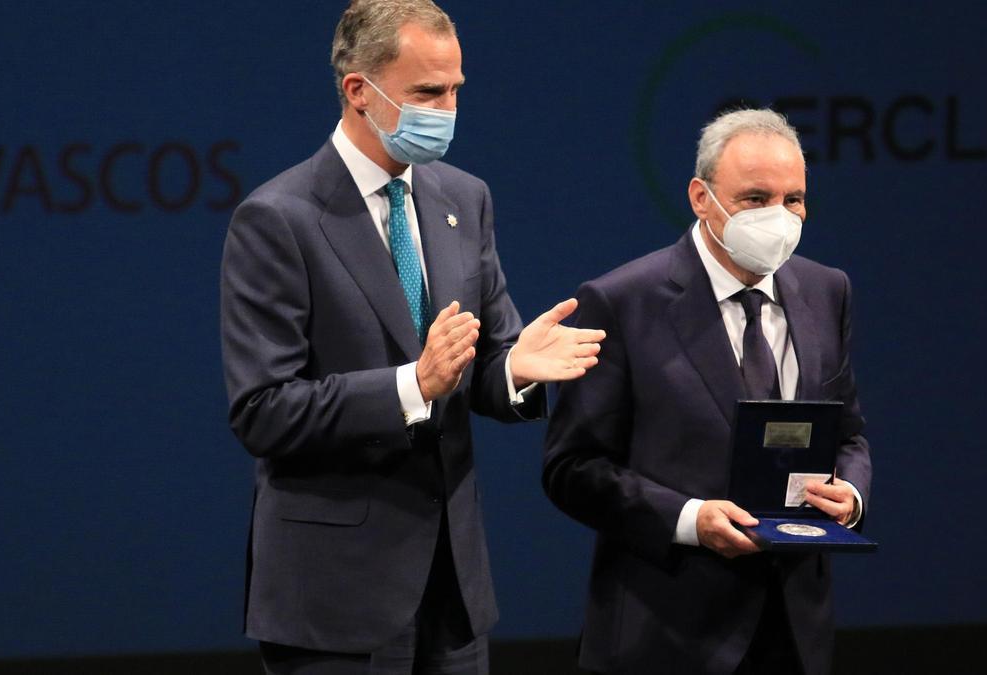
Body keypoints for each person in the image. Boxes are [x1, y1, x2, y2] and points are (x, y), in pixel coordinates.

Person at [219, 2, 605, 673]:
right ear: (358, 92)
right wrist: (412, 386)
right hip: (336, 602)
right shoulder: (277, 219)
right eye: (427, 92)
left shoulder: (465, 198)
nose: (448, 108)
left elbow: (480, 362)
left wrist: (516, 369)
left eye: (456, 89)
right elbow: (263, 410)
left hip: (453, 594)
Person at [542, 108, 872, 675]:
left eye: (793, 199)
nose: (780, 216)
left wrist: (851, 496)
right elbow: (573, 469)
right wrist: (690, 519)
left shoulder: (827, 290)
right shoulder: (621, 301)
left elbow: (849, 434)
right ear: (701, 197)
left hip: (793, 632)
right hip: (664, 635)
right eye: (755, 198)